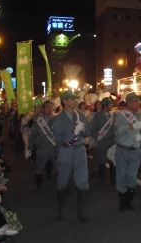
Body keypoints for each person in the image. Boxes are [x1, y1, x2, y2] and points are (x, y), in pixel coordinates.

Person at [53, 90, 91, 223]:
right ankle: (61, 208)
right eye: (72, 99)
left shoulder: (80, 115)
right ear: (65, 101)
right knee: (63, 181)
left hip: (79, 149)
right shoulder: (57, 119)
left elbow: (88, 131)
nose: (75, 101)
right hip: (66, 150)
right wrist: (73, 133)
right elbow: (58, 139)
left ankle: (82, 212)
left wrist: (82, 129)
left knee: (83, 180)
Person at [114, 92, 141, 211]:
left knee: (132, 177)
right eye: (135, 101)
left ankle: (129, 199)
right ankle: (122, 201)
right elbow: (118, 129)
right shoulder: (120, 115)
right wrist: (132, 126)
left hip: (135, 151)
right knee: (122, 175)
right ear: (128, 103)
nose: (138, 103)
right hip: (123, 150)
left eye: (139, 101)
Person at [28, 100, 58, 192]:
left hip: (54, 148)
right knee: (39, 168)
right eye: (47, 107)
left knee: (60, 167)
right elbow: (32, 135)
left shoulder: (56, 120)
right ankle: (39, 186)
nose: (50, 109)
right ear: (43, 109)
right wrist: (29, 148)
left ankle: (64, 187)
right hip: (42, 148)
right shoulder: (38, 122)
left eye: (51, 107)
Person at [90, 97, 116, 184]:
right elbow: (92, 129)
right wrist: (97, 136)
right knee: (102, 160)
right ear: (105, 106)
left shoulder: (113, 115)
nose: (112, 105)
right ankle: (103, 178)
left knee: (112, 160)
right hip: (102, 141)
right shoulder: (97, 116)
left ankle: (113, 178)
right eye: (110, 104)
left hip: (112, 141)